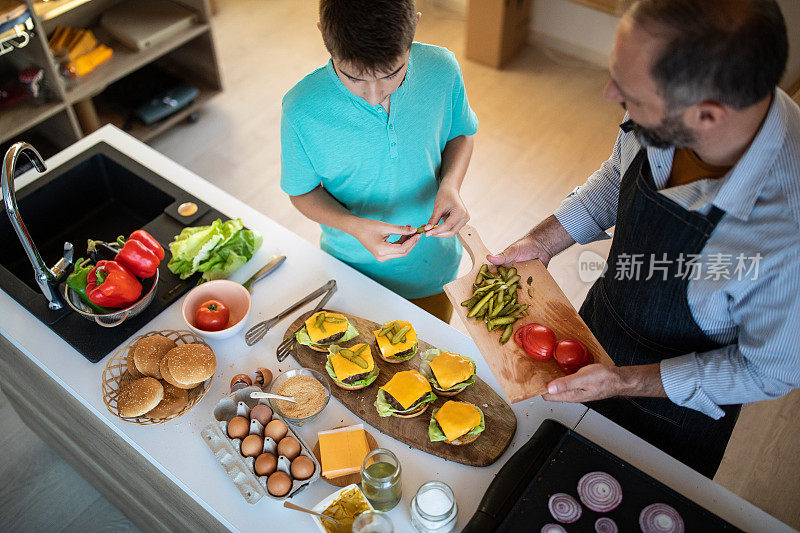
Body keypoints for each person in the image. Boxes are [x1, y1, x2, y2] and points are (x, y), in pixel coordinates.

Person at [489, 0, 799, 478]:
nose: (610, 92)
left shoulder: (785, 229)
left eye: (630, 93)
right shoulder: (667, 112)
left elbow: (769, 370)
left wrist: (622, 381)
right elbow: (619, 175)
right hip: (599, 326)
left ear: (708, 116)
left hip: (674, 411)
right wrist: (544, 241)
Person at [280, 0, 478, 323]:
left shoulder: (443, 70)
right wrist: (353, 226)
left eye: (392, 74)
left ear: (414, 25)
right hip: (350, 272)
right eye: (354, 78)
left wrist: (451, 185)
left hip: (432, 271)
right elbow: (301, 193)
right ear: (323, 36)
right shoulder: (300, 110)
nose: (375, 96)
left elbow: (462, 134)